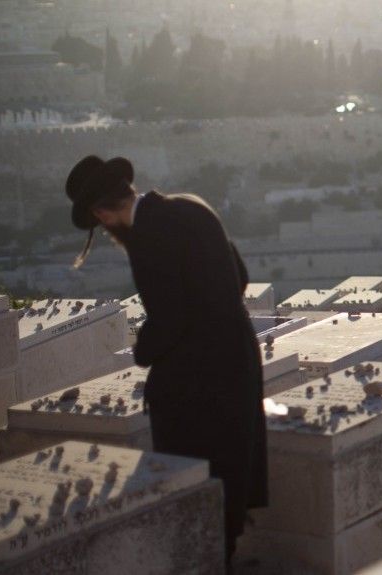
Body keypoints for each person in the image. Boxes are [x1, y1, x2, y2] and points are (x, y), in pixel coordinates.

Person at [65, 155, 267, 563]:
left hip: (197, 380)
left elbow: (169, 319)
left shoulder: (145, 238)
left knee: (197, 487)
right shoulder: (192, 204)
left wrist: (142, 350)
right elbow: (240, 276)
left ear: (103, 213)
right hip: (238, 358)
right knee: (230, 481)